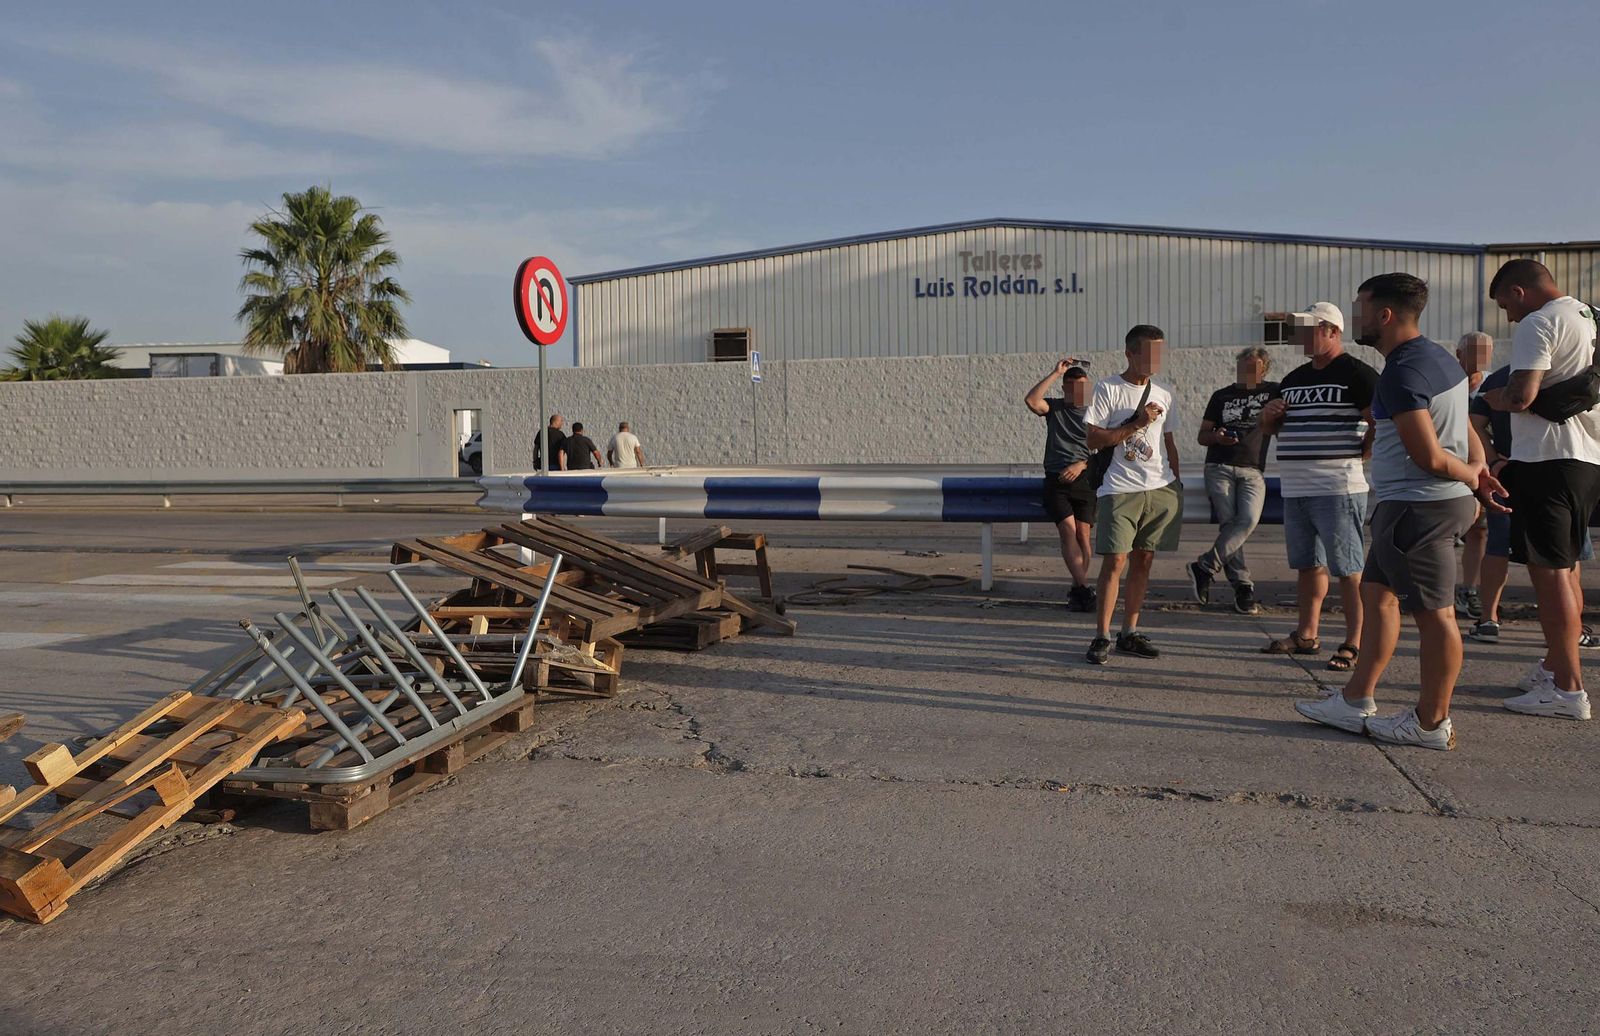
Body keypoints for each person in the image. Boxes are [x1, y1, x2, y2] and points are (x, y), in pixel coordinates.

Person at [1294, 273, 1503, 750]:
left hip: (1419, 507)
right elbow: (1461, 424)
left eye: (1362, 308)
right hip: (1412, 505)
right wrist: (1478, 465)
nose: (1358, 318)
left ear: (1384, 315)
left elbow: (1427, 454)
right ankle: (1354, 700)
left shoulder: (1402, 372)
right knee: (1377, 595)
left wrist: (1472, 475)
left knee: (1436, 616)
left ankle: (1431, 723)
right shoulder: (1437, 357)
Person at [1481, 259, 1600, 721]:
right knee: (1565, 570)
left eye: (1504, 304)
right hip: (1586, 458)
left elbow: (1522, 395)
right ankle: (1553, 668)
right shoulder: (1590, 315)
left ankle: (1568, 690)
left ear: (1519, 291)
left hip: (1547, 459)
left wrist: (1495, 400)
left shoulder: (1539, 321)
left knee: (1549, 577)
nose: (1507, 316)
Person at [1258, 302, 1378, 673]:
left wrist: (1363, 455)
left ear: (1332, 331)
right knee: (1308, 565)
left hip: (1338, 486)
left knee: (1349, 568)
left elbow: (1379, 420)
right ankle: (1307, 634)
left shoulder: (1358, 374)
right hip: (1296, 487)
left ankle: (1355, 641)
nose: (1302, 336)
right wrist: (1268, 419)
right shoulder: (1292, 380)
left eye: (1310, 329)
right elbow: (1271, 430)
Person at [1468, 362, 1599, 647]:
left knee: (1508, 547)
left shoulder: (1505, 377)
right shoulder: (1572, 374)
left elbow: (1474, 425)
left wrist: (1492, 461)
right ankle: (1567, 631)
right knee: (1565, 554)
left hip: (1527, 471)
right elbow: (1476, 423)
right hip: (1561, 470)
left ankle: (1491, 619)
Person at [1083, 325, 1183, 664]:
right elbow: (1094, 440)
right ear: (1130, 353)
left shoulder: (1166, 393)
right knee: (1115, 561)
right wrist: (1138, 423)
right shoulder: (1108, 388)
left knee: (1144, 561)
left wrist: (1176, 484)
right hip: (1119, 489)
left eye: (1160, 352)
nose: (1156, 360)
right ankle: (1102, 635)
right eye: (1149, 353)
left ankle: (1129, 632)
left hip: (1159, 489)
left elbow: (1168, 442)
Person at [1187, 347, 1279, 615]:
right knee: (1230, 525)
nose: (1246, 372)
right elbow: (1202, 436)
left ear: (1264, 369)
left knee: (1248, 520)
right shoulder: (1221, 396)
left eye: (1252, 367)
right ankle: (1243, 587)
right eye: (1242, 367)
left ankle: (1204, 566)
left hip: (1252, 469)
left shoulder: (1274, 392)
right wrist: (1217, 437)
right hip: (1219, 466)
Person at [1025, 358, 1097, 611]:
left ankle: (1079, 589)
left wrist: (1082, 465)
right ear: (1066, 389)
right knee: (1068, 532)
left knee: (1084, 535)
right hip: (1056, 480)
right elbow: (1032, 401)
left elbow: (1108, 448)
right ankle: (1085, 588)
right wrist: (1056, 373)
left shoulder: (1097, 411)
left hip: (1086, 479)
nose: (1081, 392)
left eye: (1085, 387)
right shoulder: (1055, 407)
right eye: (1075, 387)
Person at [1454, 332, 1495, 620]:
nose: (1481, 357)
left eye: (1486, 351)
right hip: (1451, 465)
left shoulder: (1492, 383)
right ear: (1459, 354)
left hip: (1483, 467)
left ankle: (1469, 588)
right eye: (1475, 350)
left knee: (1479, 530)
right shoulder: (1447, 383)